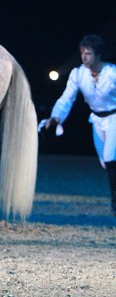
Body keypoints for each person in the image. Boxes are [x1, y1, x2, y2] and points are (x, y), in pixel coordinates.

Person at [40, 34, 116, 215]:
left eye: (88, 53)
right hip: (97, 120)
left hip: (115, 118)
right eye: (82, 53)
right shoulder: (78, 74)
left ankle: (115, 202)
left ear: (98, 55)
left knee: (110, 157)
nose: (84, 57)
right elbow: (66, 98)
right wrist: (55, 118)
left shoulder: (112, 73)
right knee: (106, 163)